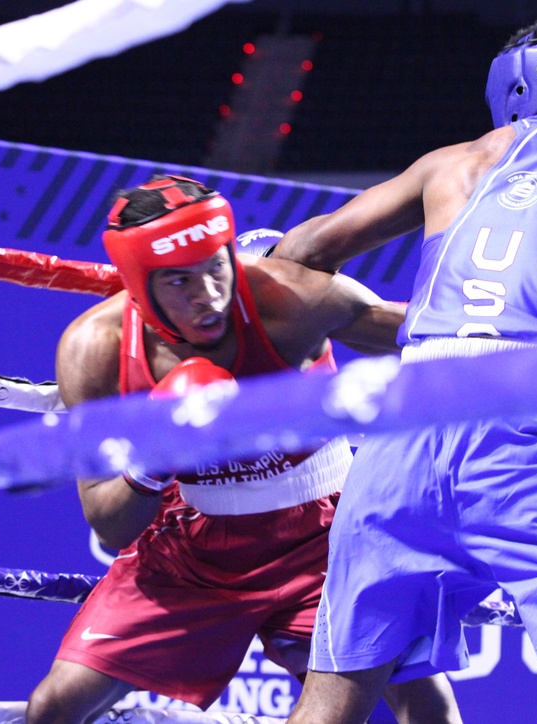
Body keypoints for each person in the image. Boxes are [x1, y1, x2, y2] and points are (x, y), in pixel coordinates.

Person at [273, 18, 537, 724]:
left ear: (515, 82)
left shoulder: (452, 163)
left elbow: (295, 255)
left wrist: (406, 331)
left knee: (329, 705)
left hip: (403, 436)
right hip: (532, 439)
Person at [25, 176, 460, 724]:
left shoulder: (290, 301)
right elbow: (108, 525)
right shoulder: (95, 351)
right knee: (53, 709)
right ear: (139, 284)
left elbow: (445, 340)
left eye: (215, 268)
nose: (207, 295)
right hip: (193, 553)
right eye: (180, 281)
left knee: (427, 710)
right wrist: (160, 454)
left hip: (330, 539)